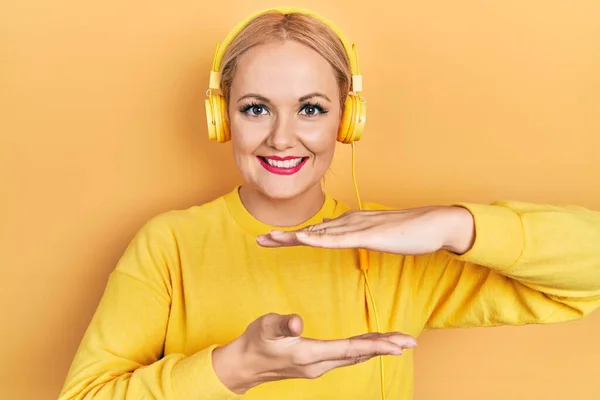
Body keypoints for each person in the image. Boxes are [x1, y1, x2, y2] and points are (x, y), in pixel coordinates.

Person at [58, 7, 600, 400]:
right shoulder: (169, 243)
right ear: (221, 118)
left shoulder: (399, 250)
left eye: (311, 108)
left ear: (347, 118)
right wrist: (233, 367)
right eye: (255, 109)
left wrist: (457, 225)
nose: (282, 137)